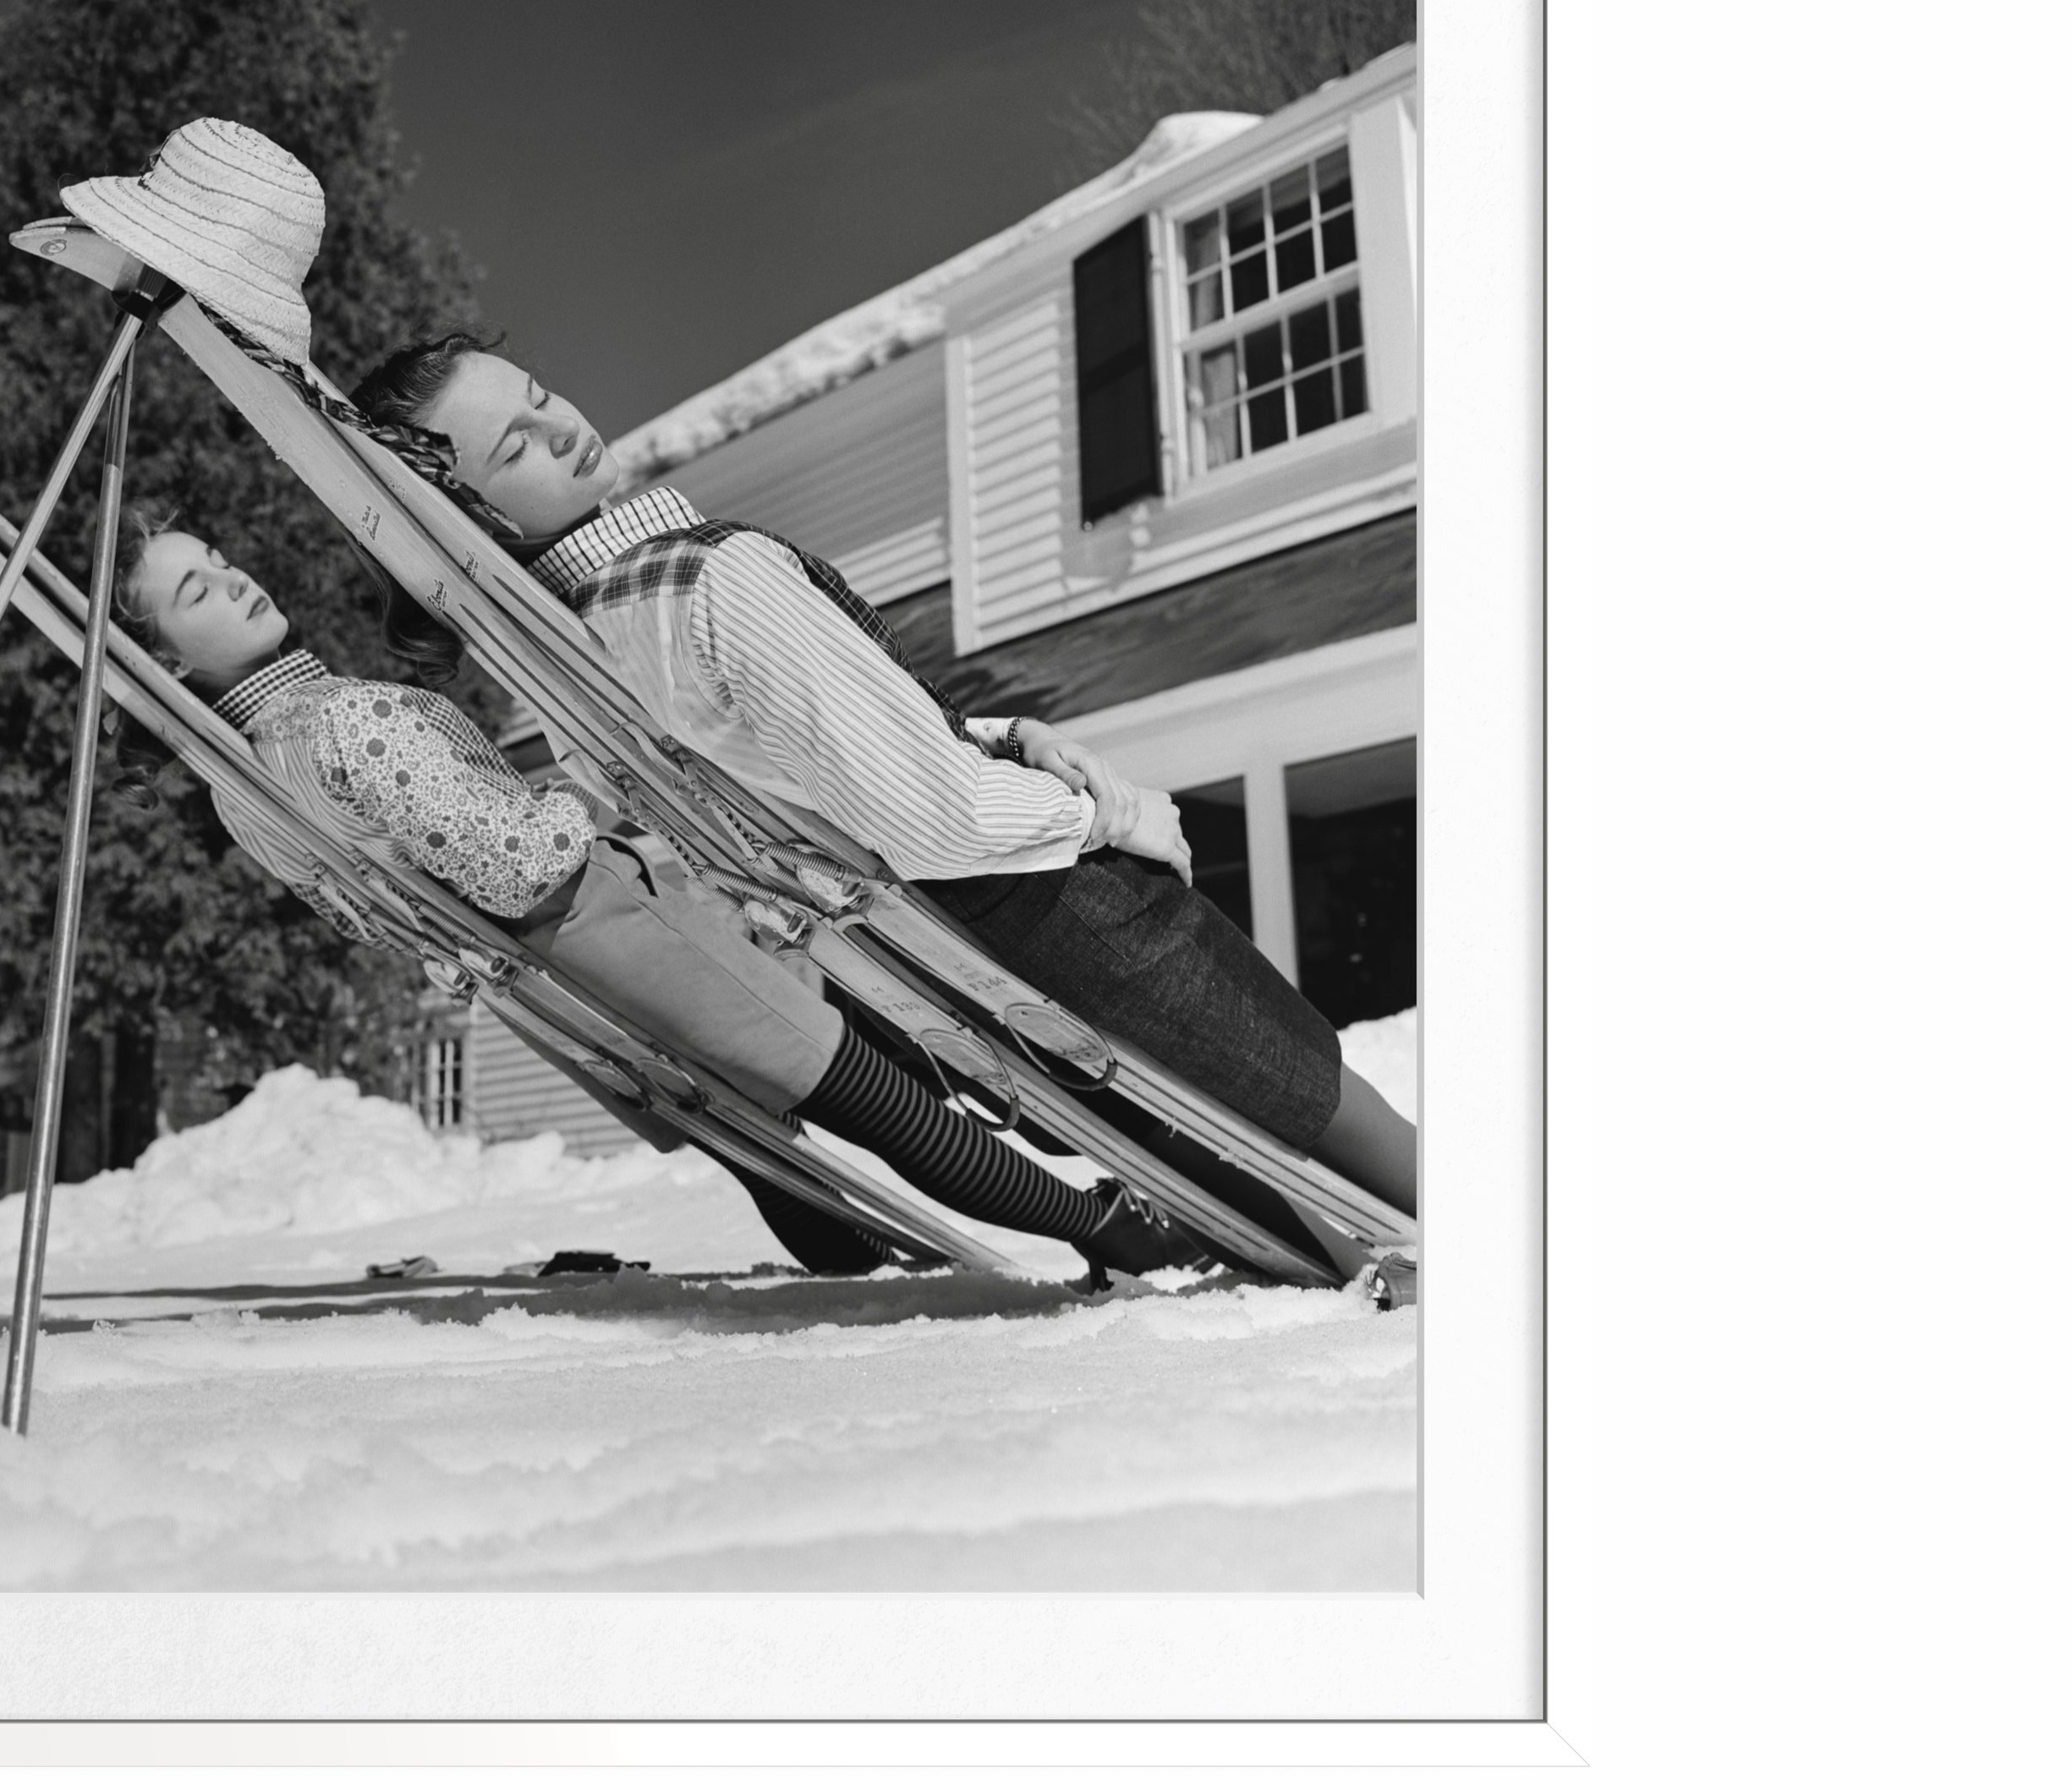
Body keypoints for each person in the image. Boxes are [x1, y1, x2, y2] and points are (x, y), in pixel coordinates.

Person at [342, 332, 1417, 1228]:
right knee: (1316, 1103)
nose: (564, 427)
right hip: (1037, 902)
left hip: (931, 958)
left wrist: (999, 730)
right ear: (473, 516)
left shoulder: (578, 653)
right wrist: (1106, 815)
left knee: (1242, 1178)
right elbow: (934, 815)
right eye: (515, 445)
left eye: (539, 396)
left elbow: (802, 768)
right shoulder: (711, 580)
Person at [107, 521, 1197, 1286]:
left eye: (220, 561)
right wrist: (595, 809)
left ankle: (851, 1255)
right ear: (164, 659)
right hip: (594, 918)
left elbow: (364, 910)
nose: (237, 580)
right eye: (197, 592)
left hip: (536, 980)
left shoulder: (245, 786)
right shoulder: (344, 723)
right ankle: (1104, 1225)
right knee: (858, 1083)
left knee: (754, 1107)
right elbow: (515, 862)